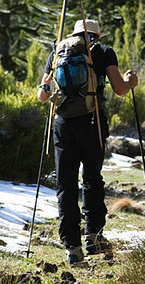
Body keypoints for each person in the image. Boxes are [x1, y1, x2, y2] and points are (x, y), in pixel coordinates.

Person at [37, 19, 138, 266]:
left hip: (62, 124)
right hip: (92, 123)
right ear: (95, 35)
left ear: (74, 35)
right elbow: (119, 89)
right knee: (92, 178)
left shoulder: (58, 52)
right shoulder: (103, 52)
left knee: (66, 184)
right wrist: (131, 82)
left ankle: (72, 247)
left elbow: (42, 95)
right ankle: (93, 236)